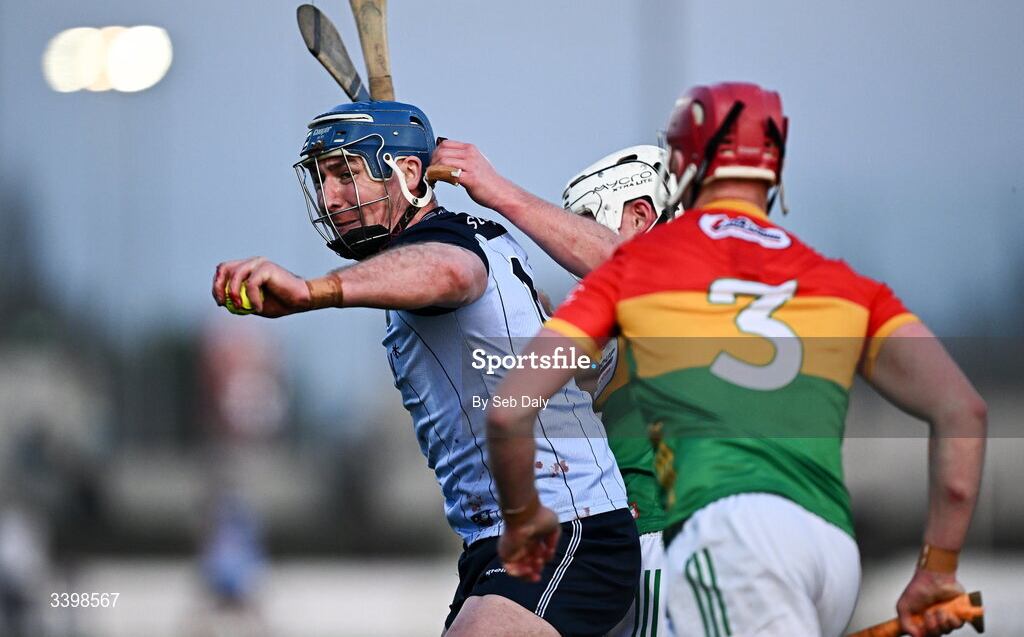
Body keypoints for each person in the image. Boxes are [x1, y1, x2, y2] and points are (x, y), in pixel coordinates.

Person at [483, 82, 987, 637]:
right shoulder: (841, 282)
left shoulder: (638, 273)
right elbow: (964, 412)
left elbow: (509, 408)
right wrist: (938, 567)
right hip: (832, 553)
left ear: (683, 165)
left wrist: (523, 517)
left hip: (725, 535)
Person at [211, 100, 640, 637]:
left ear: (408, 173)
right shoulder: (467, 234)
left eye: (346, 174)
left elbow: (450, 272)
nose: (330, 196)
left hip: (566, 534)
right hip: (502, 546)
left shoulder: (448, 249)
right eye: (322, 178)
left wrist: (314, 290)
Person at [431, 141, 675, 637]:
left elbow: (622, 265)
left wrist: (496, 190)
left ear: (641, 214)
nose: (573, 243)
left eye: (589, 217)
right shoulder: (630, 324)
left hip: (667, 535)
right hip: (638, 539)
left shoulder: (682, 279)